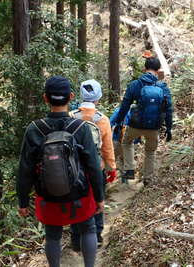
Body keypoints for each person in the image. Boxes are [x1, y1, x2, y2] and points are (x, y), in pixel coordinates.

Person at [16, 75, 104, 267]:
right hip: (80, 195)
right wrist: (99, 197)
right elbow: (93, 166)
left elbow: (25, 168)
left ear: (45, 98)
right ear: (71, 96)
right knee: (88, 229)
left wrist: (22, 201)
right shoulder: (81, 127)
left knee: (52, 235)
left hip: (48, 195)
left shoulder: (34, 129)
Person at [69, 79, 117, 248]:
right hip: (97, 168)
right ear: (98, 98)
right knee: (98, 200)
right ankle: (97, 236)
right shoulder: (102, 120)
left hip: (73, 169)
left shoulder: (71, 116)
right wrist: (112, 167)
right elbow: (107, 148)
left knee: (75, 202)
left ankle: (76, 240)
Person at [114, 56, 173, 186]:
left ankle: (129, 169)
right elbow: (168, 109)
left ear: (144, 69)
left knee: (127, 142)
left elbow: (124, 106)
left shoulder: (135, 85)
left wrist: (118, 123)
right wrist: (169, 128)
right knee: (150, 151)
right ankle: (148, 178)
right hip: (154, 127)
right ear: (158, 70)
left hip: (135, 124)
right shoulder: (162, 87)